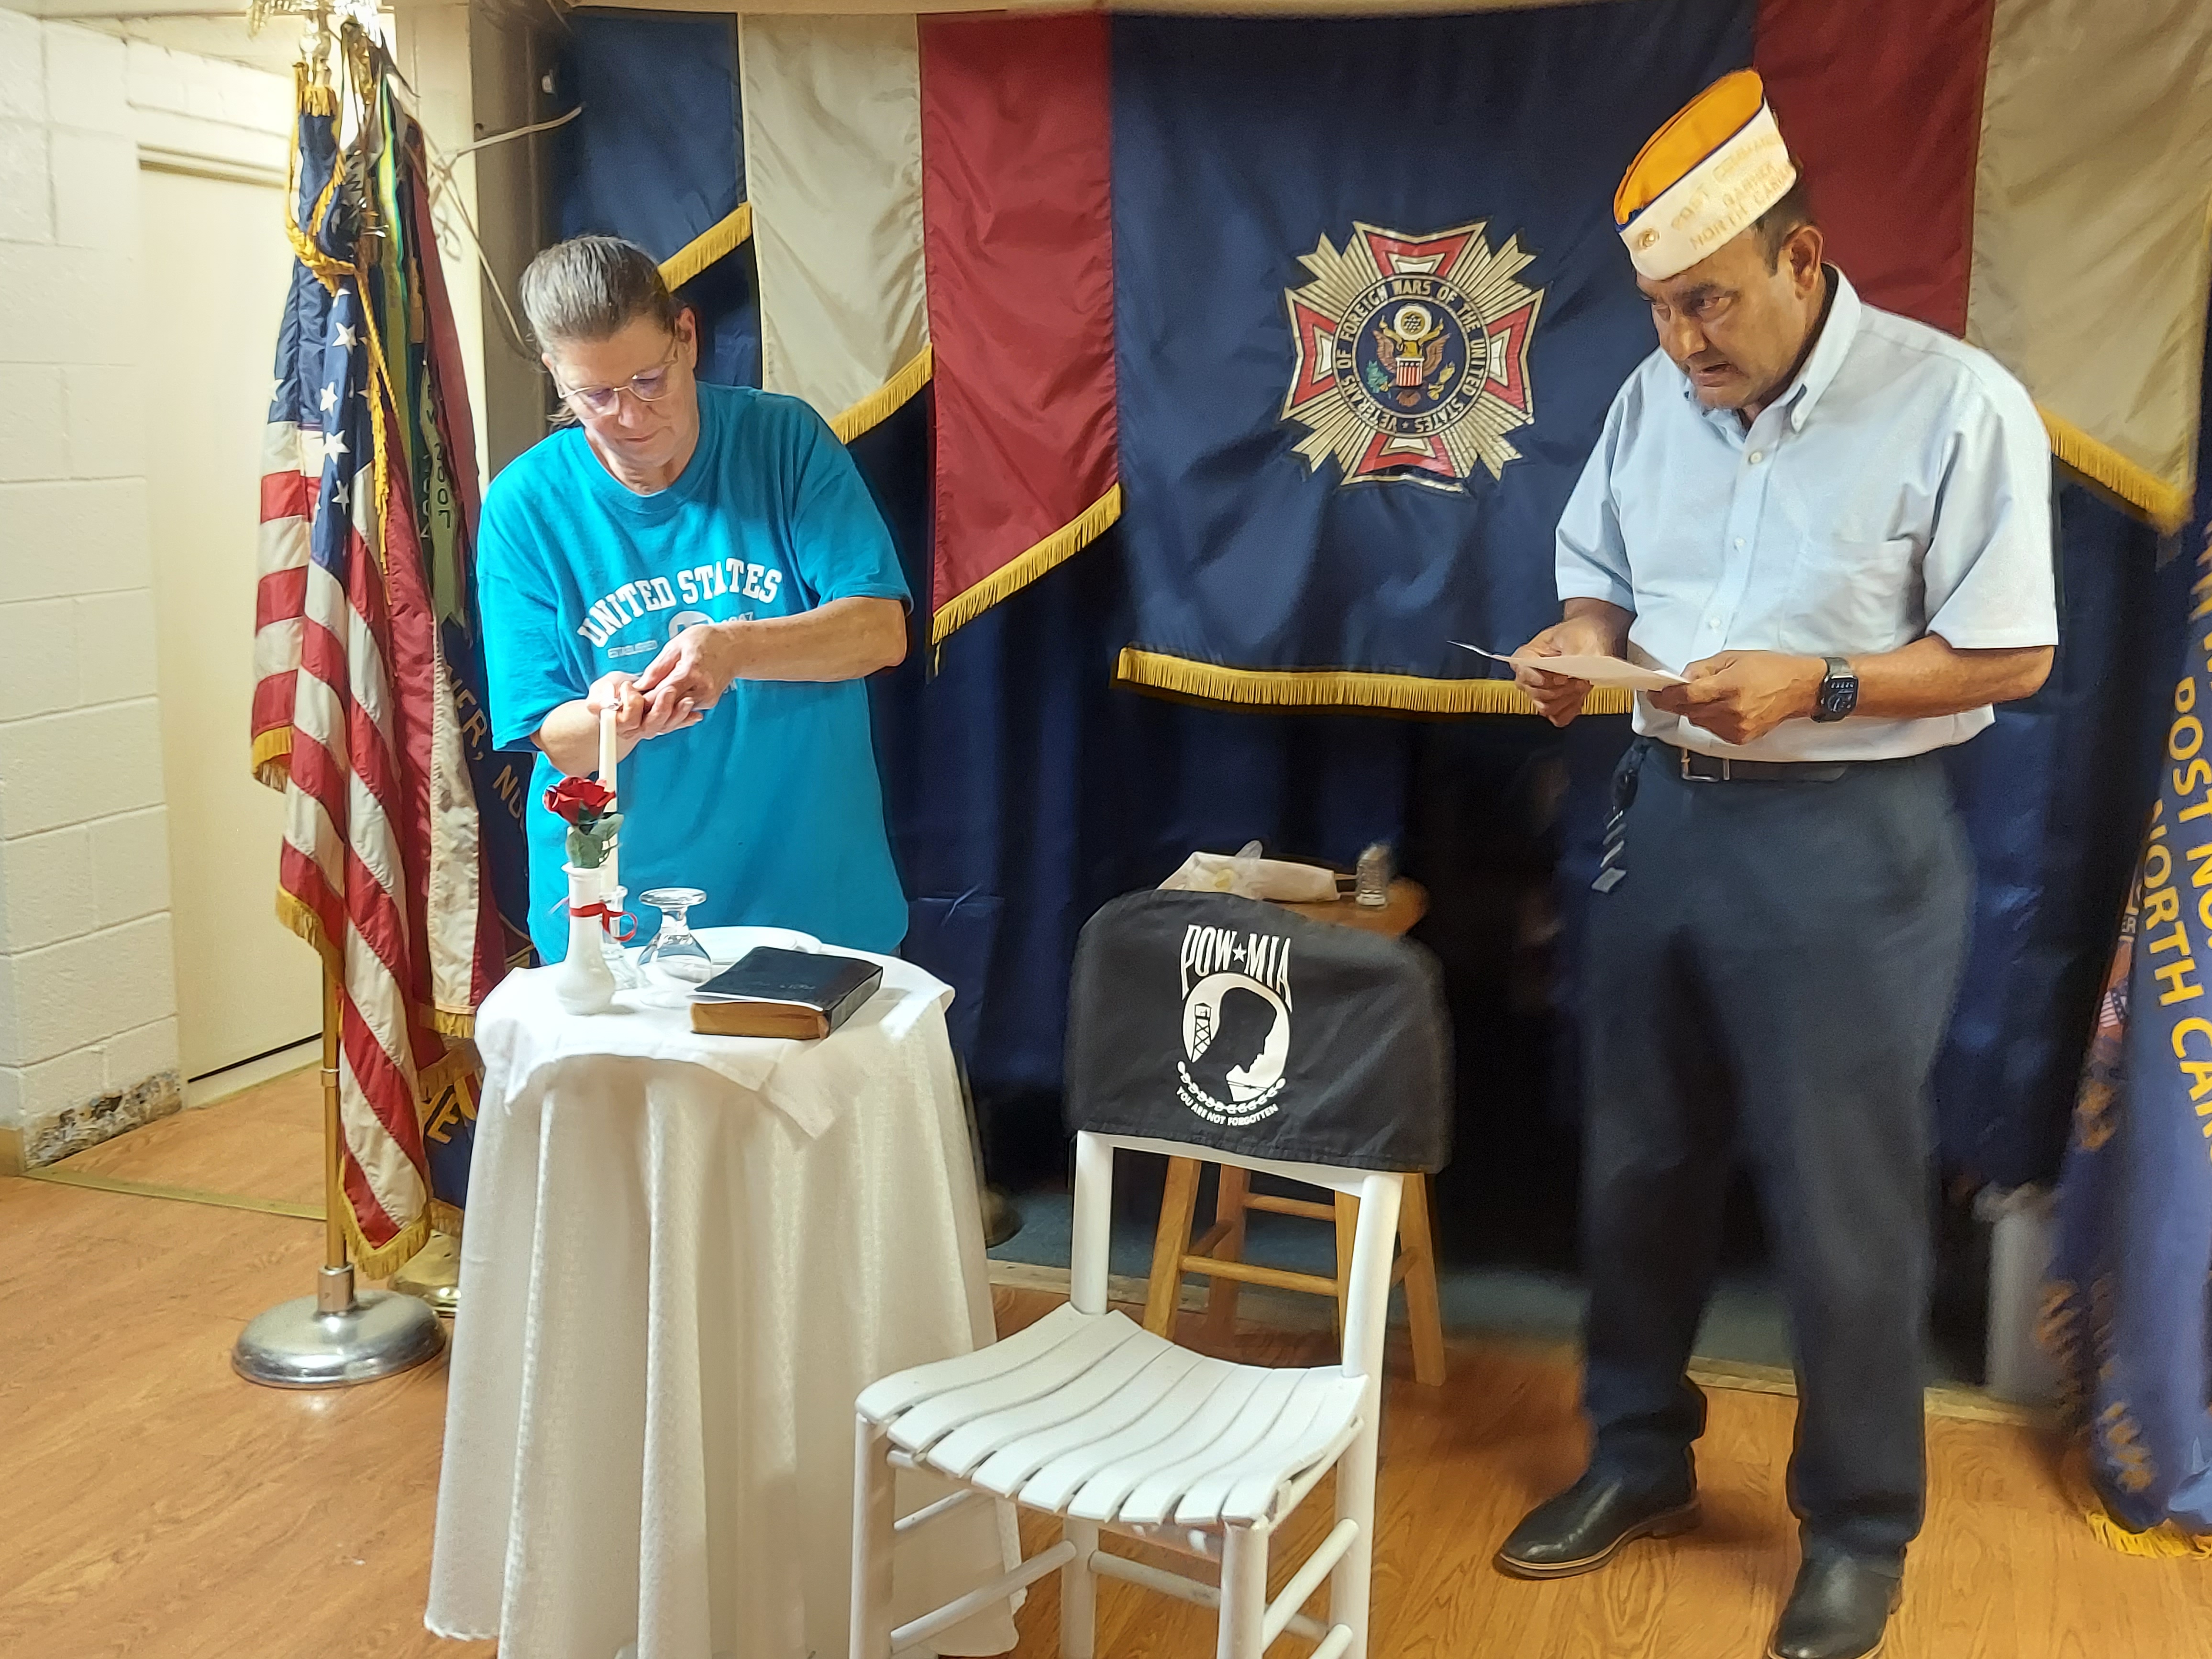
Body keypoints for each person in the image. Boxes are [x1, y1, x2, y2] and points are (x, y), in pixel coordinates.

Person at [1495, 71, 2057, 1659]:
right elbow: (1597, 579)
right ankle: (1636, 1453)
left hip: (1850, 849)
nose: (1684, 341)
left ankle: (1859, 1526)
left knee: (1842, 1205)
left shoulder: (1953, 403)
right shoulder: (1648, 397)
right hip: (1662, 819)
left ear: (1800, 255)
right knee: (1639, 1165)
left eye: (1710, 301)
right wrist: (1576, 646)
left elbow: (2009, 656)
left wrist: (1812, 684)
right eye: (1663, 310)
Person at [478, 235, 911, 962]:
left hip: (813, 902)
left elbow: (878, 633)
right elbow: (556, 737)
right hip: (626, 918)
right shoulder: (525, 504)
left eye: (650, 380)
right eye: (597, 395)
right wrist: (616, 716)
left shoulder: (783, 442)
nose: (629, 416)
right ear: (556, 375)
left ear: (687, 336)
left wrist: (734, 647)